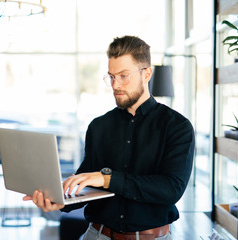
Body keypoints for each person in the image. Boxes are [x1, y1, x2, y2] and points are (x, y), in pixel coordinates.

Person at [23, 35, 195, 240]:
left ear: (147, 74)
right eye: (111, 76)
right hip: (97, 234)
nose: (115, 85)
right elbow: (87, 183)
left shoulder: (177, 127)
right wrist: (62, 201)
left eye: (123, 76)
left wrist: (108, 178)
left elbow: (170, 189)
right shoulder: (98, 126)